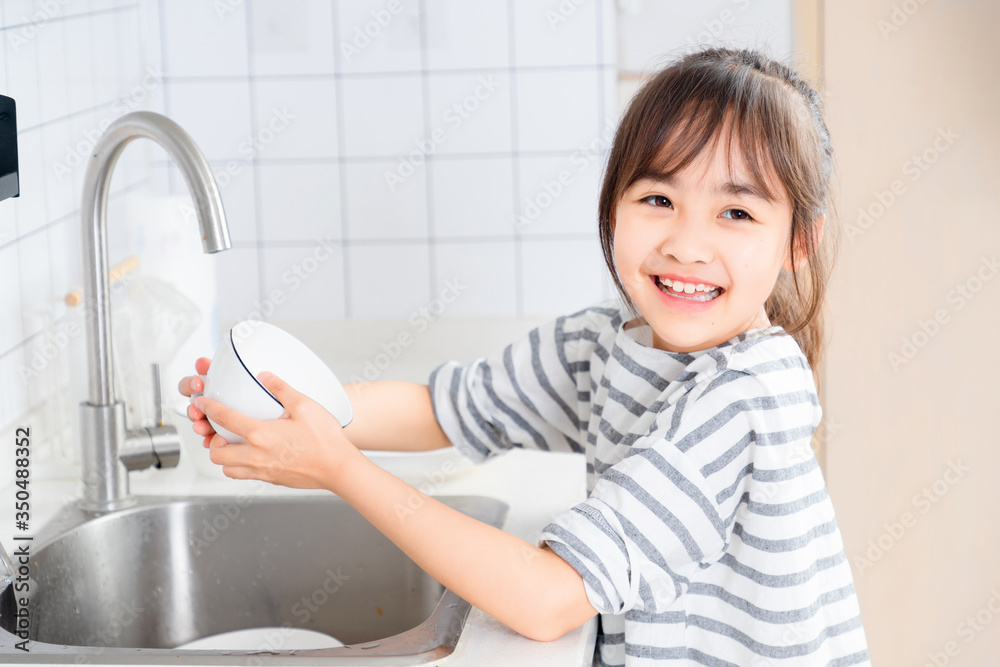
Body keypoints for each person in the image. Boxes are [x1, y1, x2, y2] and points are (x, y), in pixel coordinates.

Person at [179, 48, 870, 665]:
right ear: (613, 208)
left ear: (797, 243)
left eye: (737, 213)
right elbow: (447, 408)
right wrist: (284, 405)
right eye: (659, 197)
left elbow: (547, 600)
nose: (687, 244)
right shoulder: (607, 342)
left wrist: (339, 467)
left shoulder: (744, 396)